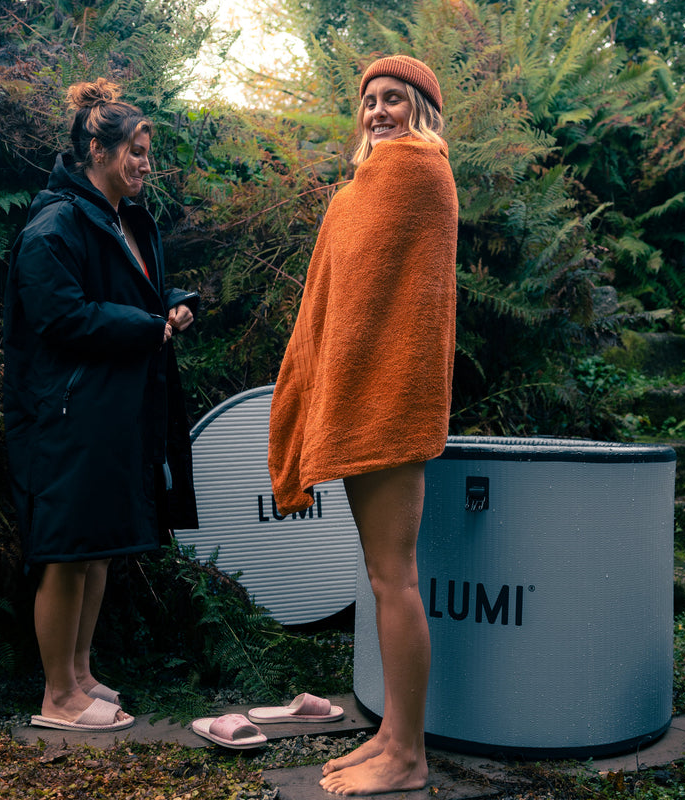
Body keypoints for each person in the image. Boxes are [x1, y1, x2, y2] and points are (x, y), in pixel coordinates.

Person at [268, 55, 458, 795]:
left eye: (394, 99)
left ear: (422, 107)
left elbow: (394, 305)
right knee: (384, 579)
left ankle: (408, 755)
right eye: (370, 101)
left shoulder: (417, 173)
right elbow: (336, 302)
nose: (379, 111)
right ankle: (390, 736)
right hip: (360, 402)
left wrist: (357, 388)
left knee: (395, 577)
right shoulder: (359, 189)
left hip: (390, 403)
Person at [3, 78, 199, 732]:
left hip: (107, 414)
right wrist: (147, 327)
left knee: (95, 548)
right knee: (64, 553)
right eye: (137, 151)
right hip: (65, 419)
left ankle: (81, 675)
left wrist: (170, 303)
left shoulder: (124, 217)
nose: (147, 163)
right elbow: (61, 317)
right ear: (97, 148)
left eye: (149, 151)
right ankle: (58, 699)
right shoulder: (54, 223)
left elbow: (131, 293)